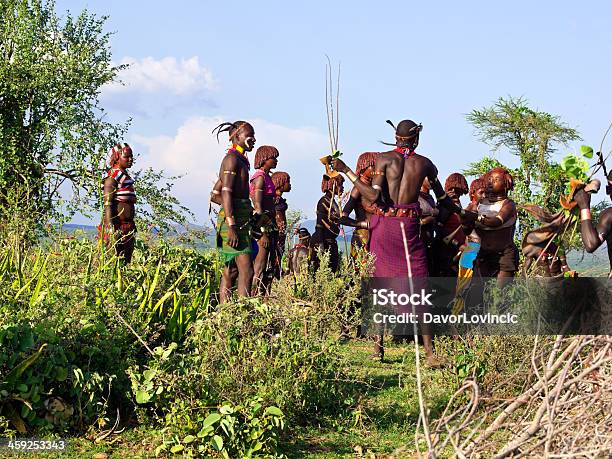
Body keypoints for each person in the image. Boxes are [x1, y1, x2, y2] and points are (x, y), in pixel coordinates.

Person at [333, 119, 475, 364]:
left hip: (385, 227)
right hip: (409, 228)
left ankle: (378, 349)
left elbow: (374, 195)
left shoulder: (384, 159)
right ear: (416, 139)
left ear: (396, 138)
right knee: (419, 286)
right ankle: (429, 353)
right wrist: (464, 214)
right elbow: (444, 201)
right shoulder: (426, 164)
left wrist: (346, 170)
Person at [212, 121, 256, 302]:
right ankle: (243, 314)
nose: (253, 139)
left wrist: (247, 211)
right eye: (249, 135)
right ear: (236, 137)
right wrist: (232, 224)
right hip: (233, 223)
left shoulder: (240, 160)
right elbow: (225, 192)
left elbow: (215, 194)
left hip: (239, 219)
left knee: (232, 271)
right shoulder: (231, 160)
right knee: (247, 269)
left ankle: (226, 315)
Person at [474, 167, 519, 287]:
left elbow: (496, 221)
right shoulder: (480, 203)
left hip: (503, 255)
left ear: (506, 184)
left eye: (496, 179)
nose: (491, 182)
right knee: (482, 293)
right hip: (482, 254)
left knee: (500, 294)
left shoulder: (508, 204)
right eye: (489, 179)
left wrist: (477, 218)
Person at [250, 146, 280, 296]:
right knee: (259, 267)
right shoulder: (259, 178)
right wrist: (263, 233)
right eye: (273, 158)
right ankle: (252, 300)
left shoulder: (267, 177)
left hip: (269, 224)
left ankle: (264, 300)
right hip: (263, 225)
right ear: (264, 159)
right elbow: (258, 206)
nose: (276, 161)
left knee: (268, 266)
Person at [101, 143, 137, 264]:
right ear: (117, 158)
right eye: (127, 157)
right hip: (117, 226)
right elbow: (108, 204)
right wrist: (110, 227)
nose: (130, 159)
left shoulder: (125, 178)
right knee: (113, 260)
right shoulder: (112, 177)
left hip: (128, 227)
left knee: (125, 263)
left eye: (131, 156)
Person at [573, 170, 612, 276]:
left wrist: (584, 206)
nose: (609, 194)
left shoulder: (609, 215)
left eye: (610, 189)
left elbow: (590, 244)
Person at [339, 152, 378, 258]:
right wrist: (363, 224)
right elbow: (343, 218)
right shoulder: (357, 190)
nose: (376, 169)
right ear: (363, 168)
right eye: (373, 166)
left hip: (376, 236)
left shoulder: (375, 189)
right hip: (362, 238)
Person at [433, 173, 469, 276]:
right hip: (445, 250)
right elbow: (439, 229)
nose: (454, 192)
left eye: (458, 190)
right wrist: (457, 244)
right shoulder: (446, 205)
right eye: (452, 189)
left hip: (455, 251)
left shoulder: (457, 204)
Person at [310, 174, 344, 273]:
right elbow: (319, 226)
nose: (342, 188)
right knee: (320, 272)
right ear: (333, 185)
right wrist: (321, 245)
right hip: (321, 241)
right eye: (340, 185)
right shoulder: (323, 202)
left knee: (333, 271)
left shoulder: (332, 202)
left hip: (331, 242)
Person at [271, 171, 292, 260]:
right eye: (288, 182)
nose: (290, 185)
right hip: (276, 233)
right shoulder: (275, 200)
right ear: (280, 183)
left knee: (279, 255)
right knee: (276, 255)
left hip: (281, 233)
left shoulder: (279, 200)